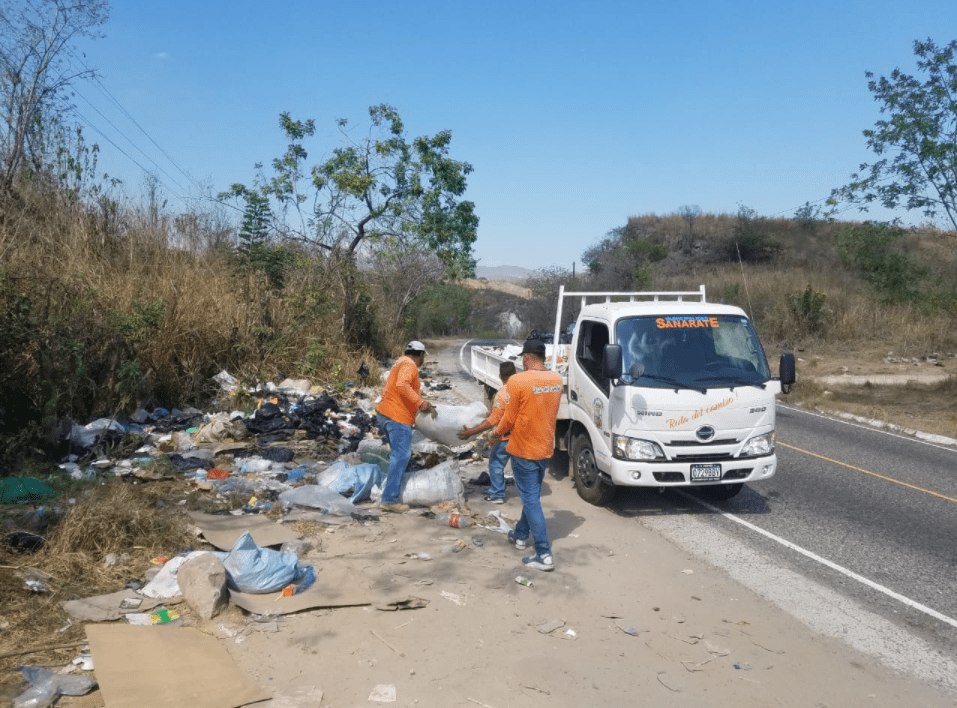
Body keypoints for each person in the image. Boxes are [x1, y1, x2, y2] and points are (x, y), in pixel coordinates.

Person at [494, 339, 562, 571]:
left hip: (523, 450)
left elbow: (509, 419)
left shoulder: (517, 381)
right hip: (544, 449)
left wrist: (494, 435)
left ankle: (543, 554)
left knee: (531, 500)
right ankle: (521, 536)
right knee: (530, 496)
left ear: (525, 358)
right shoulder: (556, 379)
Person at [375, 340, 435, 513]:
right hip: (397, 417)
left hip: (385, 413)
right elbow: (402, 385)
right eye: (424, 356)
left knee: (398, 456)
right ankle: (389, 499)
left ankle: (392, 491)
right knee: (401, 456)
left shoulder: (400, 362)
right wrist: (420, 402)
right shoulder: (410, 365)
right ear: (421, 355)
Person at [457, 361, 517, 504]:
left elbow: (494, 420)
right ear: (515, 373)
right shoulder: (522, 389)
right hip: (521, 436)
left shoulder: (502, 394)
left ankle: (497, 494)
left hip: (505, 436)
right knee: (518, 465)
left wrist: (473, 431)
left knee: (496, 464)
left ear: (500, 376)